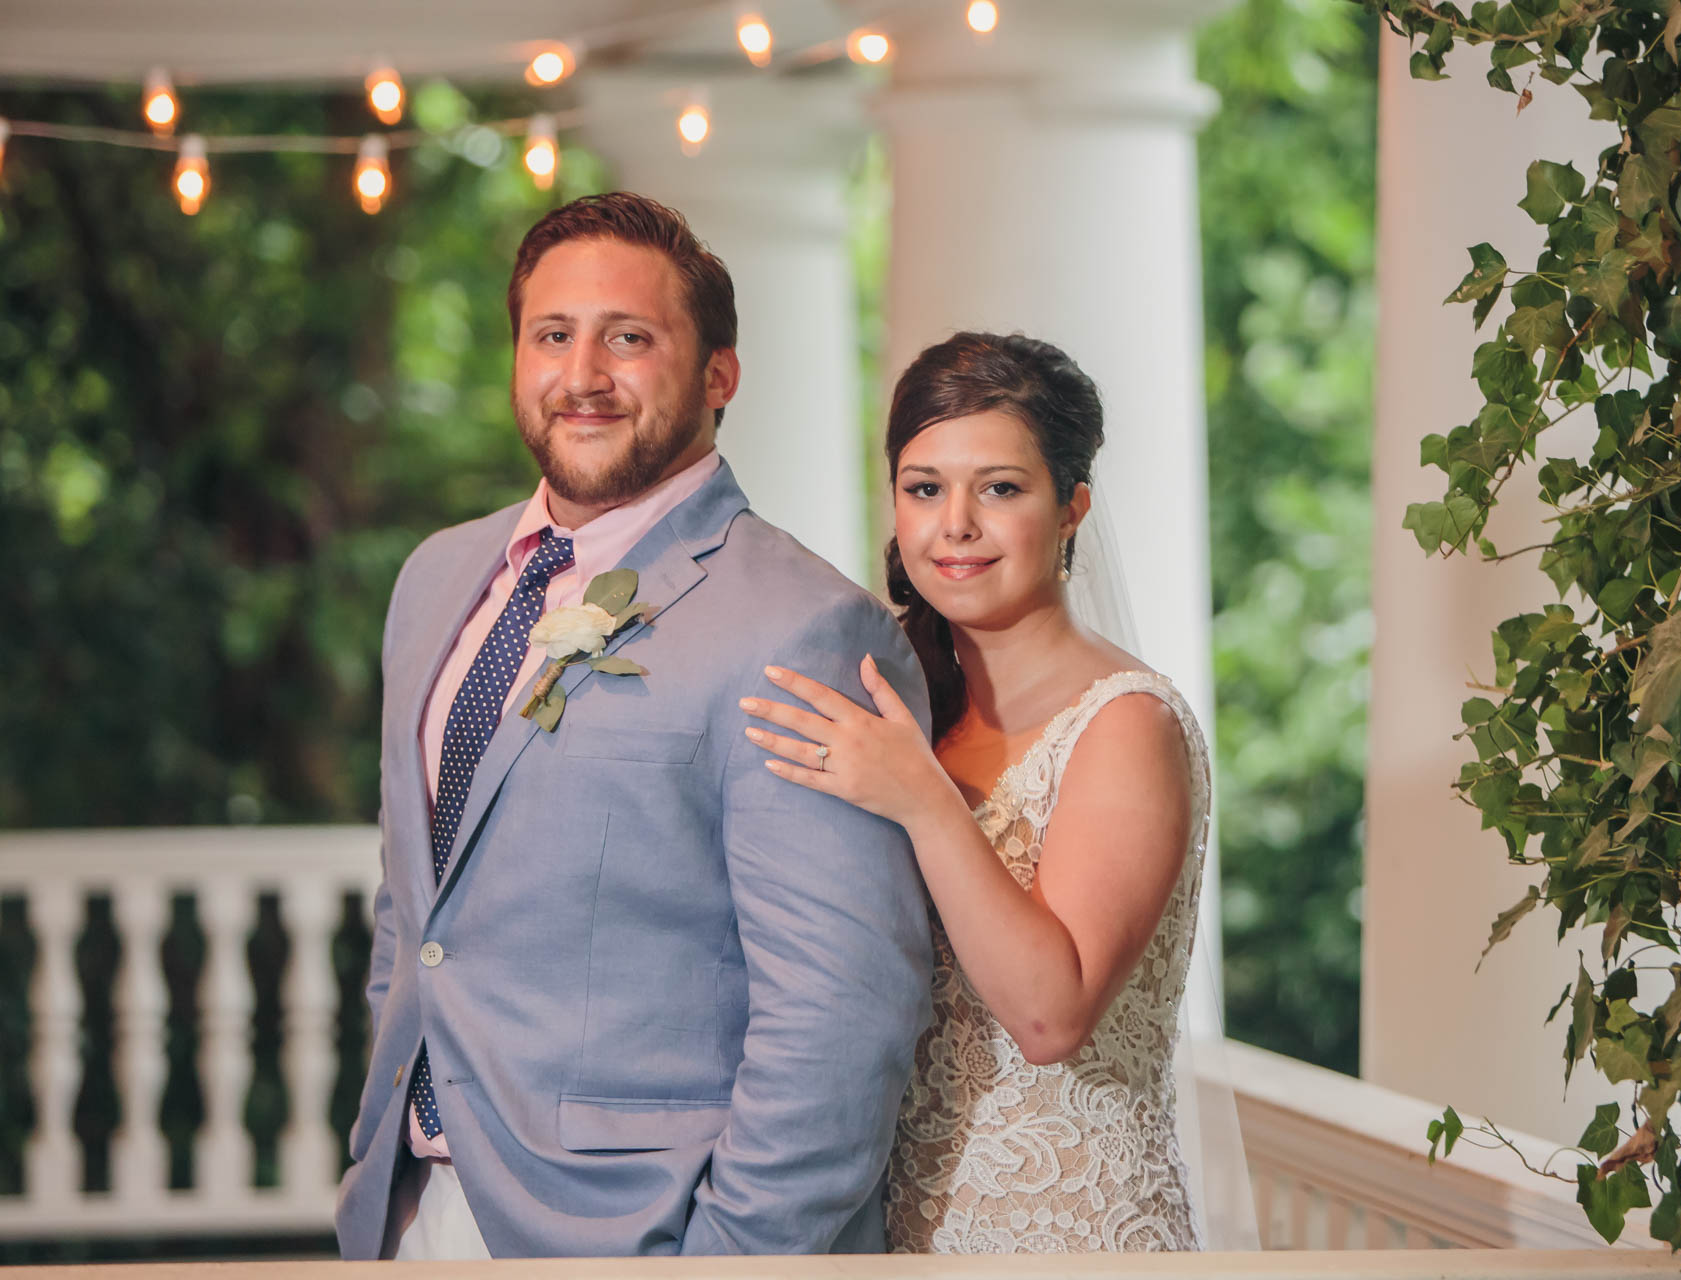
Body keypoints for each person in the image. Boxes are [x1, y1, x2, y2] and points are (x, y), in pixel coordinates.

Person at [333, 192, 934, 1260]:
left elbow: (839, 1015)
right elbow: (414, 907)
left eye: (630, 338)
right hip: (411, 1210)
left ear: (718, 375)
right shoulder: (434, 579)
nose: (584, 375)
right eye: (553, 335)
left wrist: (727, 1256)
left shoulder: (802, 623)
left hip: (639, 1232)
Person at [742, 331, 1212, 1251]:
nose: (955, 524)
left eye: (999, 488)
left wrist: (922, 799)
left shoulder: (1125, 725)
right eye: (925, 489)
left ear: (1072, 506)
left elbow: (1051, 1013)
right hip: (894, 1227)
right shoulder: (897, 706)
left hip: (1073, 1233)